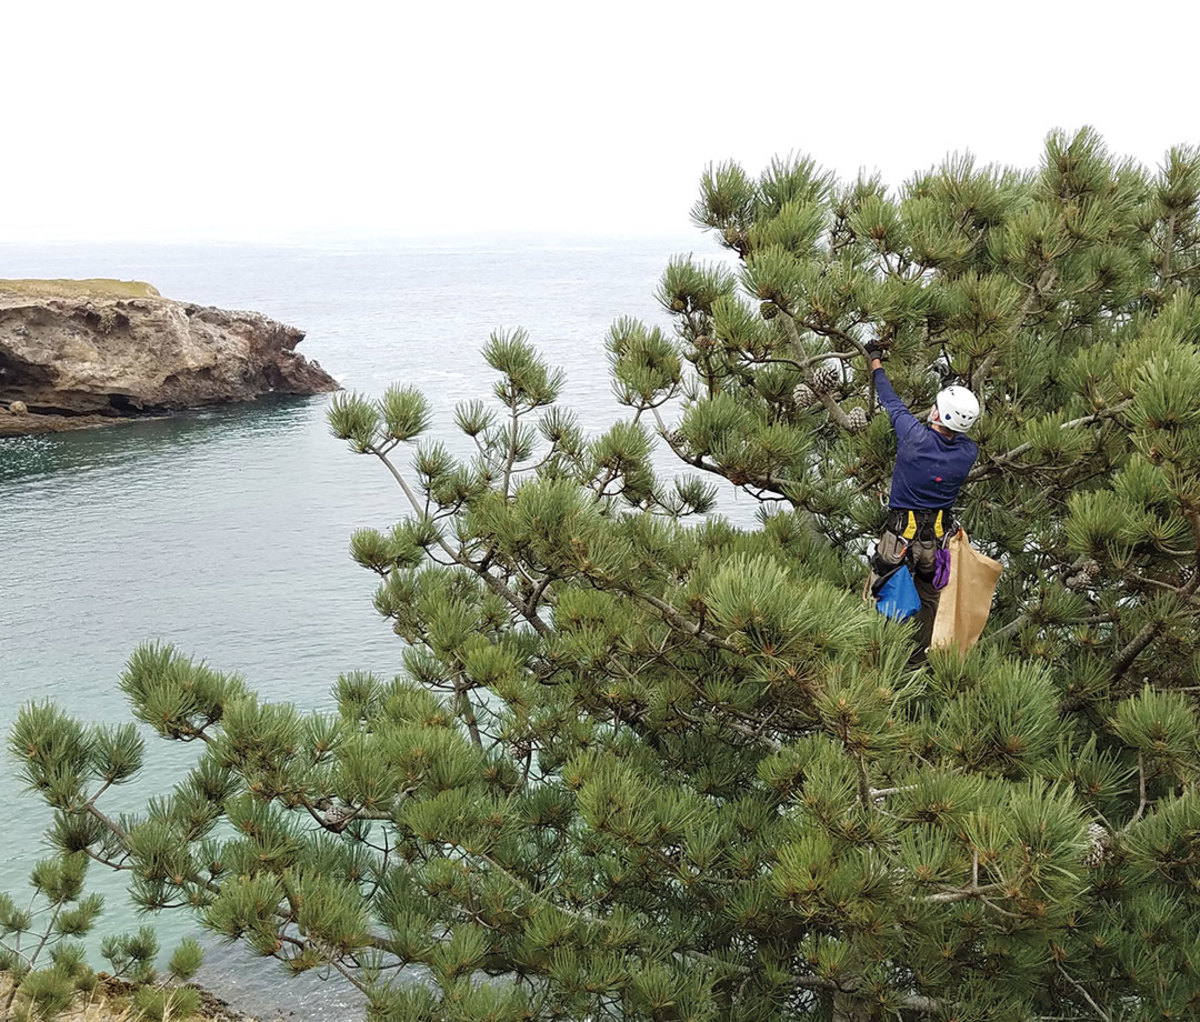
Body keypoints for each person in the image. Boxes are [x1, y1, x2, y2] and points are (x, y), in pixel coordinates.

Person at [865, 341, 980, 658]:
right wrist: (950, 387)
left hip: (899, 538)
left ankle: (884, 656)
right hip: (936, 542)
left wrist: (875, 359)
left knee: (886, 590)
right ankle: (920, 655)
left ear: (936, 413)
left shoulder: (912, 437)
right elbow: (956, 430)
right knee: (928, 597)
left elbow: (890, 400)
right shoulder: (968, 453)